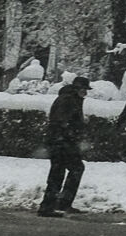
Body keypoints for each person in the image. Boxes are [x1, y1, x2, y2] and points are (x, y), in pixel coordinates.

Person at [39, 73, 90, 217]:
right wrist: (69, 136)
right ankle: (53, 205)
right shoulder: (68, 100)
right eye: (84, 89)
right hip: (62, 142)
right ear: (77, 88)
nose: (85, 92)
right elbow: (61, 122)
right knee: (68, 170)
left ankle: (54, 204)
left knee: (61, 171)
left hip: (61, 142)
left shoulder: (71, 99)